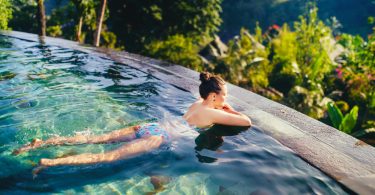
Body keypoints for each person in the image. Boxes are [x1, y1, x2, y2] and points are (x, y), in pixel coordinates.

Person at [14, 72, 251, 173]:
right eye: (224, 96)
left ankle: (42, 143)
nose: (225, 100)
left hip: (152, 126)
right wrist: (227, 108)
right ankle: (49, 162)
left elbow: (206, 104)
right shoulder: (212, 111)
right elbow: (245, 122)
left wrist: (220, 103)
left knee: (95, 138)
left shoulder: (197, 103)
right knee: (107, 156)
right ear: (212, 97)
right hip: (159, 137)